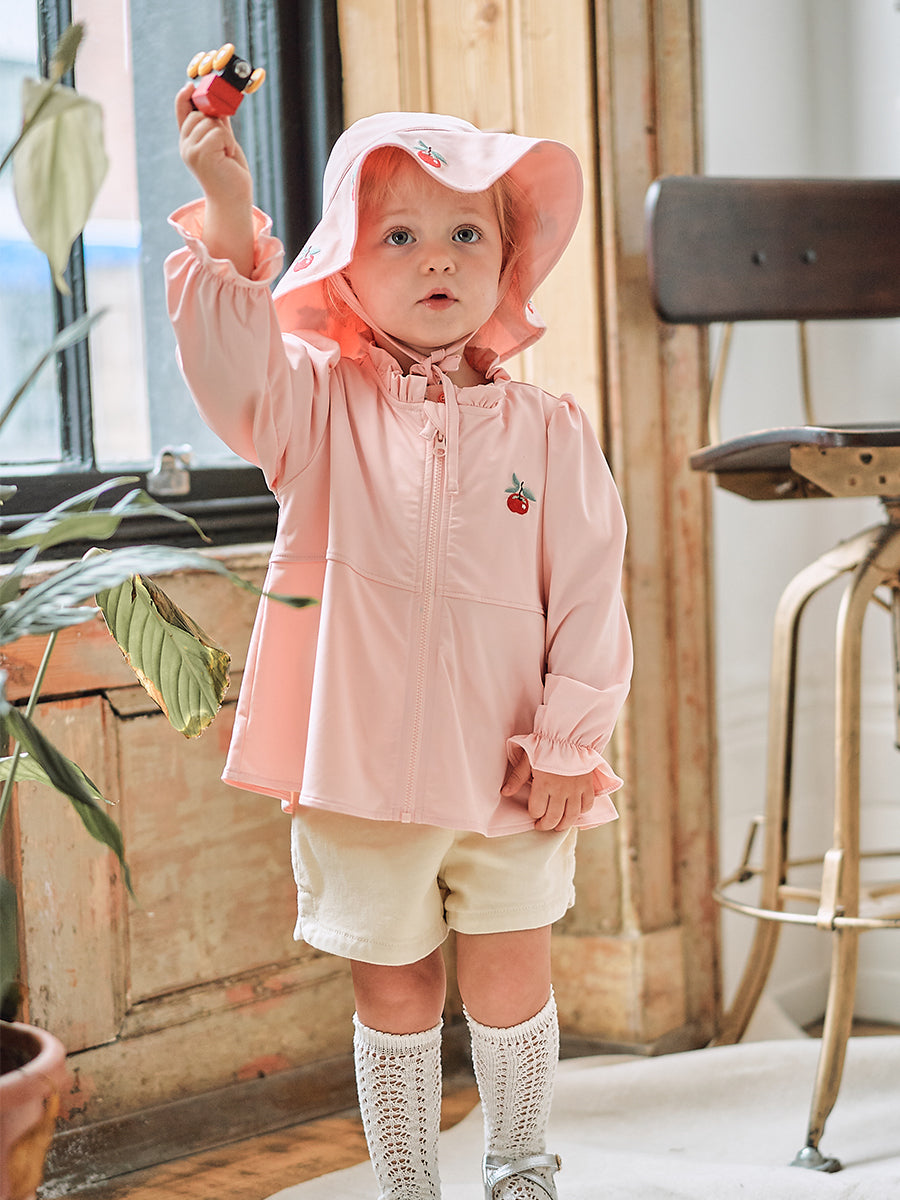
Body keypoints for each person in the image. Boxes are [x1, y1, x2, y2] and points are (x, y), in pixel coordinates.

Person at [167, 89, 632, 1200]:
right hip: (360, 768)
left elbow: (590, 588)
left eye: (467, 232)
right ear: (343, 267)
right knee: (396, 985)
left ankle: (521, 1169)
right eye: (400, 236)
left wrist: (571, 739)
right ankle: (410, 1185)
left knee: (513, 972)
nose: (437, 258)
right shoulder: (312, 408)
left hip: (513, 765)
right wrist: (226, 206)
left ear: (507, 263)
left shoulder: (549, 430)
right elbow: (228, 363)